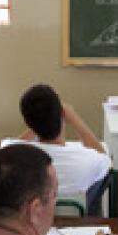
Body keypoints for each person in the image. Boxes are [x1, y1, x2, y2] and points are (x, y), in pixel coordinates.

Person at [13, 83, 112, 215]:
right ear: (62, 115)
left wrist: (38, 120)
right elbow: (104, 157)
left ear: (27, 122)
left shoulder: (10, 155)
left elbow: (15, 144)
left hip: (29, 224)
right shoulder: (87, 160)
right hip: (75, 225)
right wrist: (75, 119)